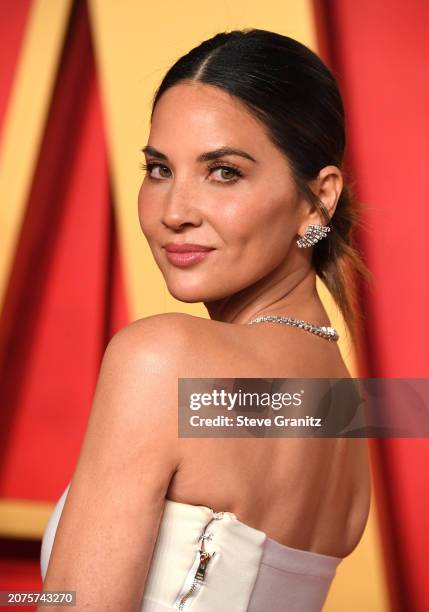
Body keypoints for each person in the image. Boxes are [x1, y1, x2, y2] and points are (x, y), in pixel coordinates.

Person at [39, 28, 372, 611]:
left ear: (319, 199)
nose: (174, 213)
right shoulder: (343, 410)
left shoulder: (163, 359)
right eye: (160, 169)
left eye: (223, 172)